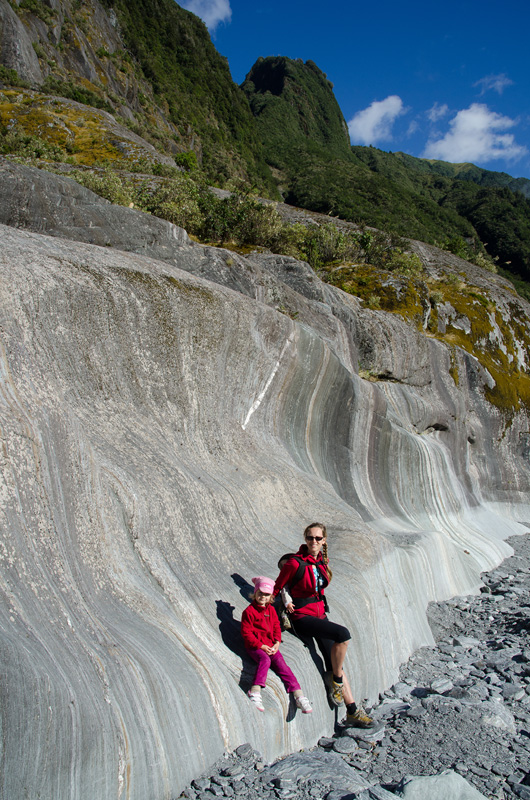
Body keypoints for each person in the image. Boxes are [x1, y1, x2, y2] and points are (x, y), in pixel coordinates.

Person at [274, 523, 373, 728]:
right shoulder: (295, 563)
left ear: (324, 540)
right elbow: (277, 587)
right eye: (310, 538)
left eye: (318, 538)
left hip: (319, 615)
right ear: (305, 539)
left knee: (334, 662)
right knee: (343, 635)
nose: (314, 542)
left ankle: (353, 711)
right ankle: (336, 682)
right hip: (301, 618)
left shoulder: (321, 561)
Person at [241, 576, 313, 714]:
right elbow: (246, 633)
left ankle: (299, 695)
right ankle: (255, 691)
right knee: (265, 660)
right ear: (255, 593)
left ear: (270, 597)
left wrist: (277, 642)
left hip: (271, 645)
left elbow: (276, 627)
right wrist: (261, 646)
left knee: (283, 666)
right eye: (260, 593)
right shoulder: (249, 612)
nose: (263, 597)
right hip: (255, 647)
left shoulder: (271, 611)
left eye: (267, 594)